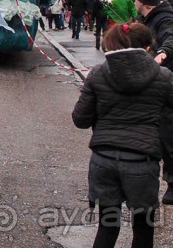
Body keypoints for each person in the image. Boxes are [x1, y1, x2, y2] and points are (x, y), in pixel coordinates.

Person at [72, 23, 173, 248]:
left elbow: (80, 119)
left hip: (104, 159)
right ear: (147, 47)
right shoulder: (163, 76)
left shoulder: (98, 73)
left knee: (107, 227)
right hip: (142, 162)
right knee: (143, 229)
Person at [132, 0, 173, 205]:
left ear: (143, 1)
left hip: (166, 80)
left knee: (168, 131)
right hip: (148, 78)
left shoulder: (165, 17)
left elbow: (170, 37)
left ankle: (172, 183)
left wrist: (163, 53)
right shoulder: (144, 18)